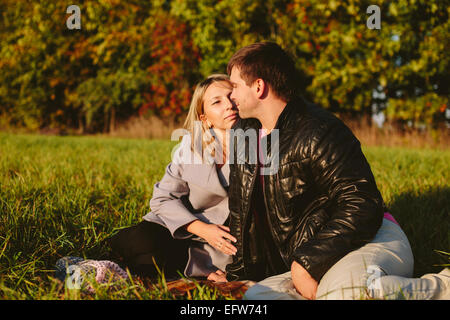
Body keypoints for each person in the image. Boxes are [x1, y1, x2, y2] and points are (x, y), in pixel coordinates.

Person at [223, 42, 449, 300]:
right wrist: (237, 277)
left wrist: (306, 263)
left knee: (346, 296)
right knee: (256, 300)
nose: (231, 96)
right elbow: (241, 213)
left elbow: (362, 204)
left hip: (367, 239)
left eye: (235, 86)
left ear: (259, 87)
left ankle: (442, 288)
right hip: (310, 258)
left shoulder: (320, 130)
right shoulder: (243, 132)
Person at [106, 74, 239, 282]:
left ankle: (189, 267)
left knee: (149, 259)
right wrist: (201, 228)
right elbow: (161, 199)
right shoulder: (191, 146)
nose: (229, 105)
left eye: (232, 97)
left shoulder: (260, 143)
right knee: (139, 241)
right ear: (204, 117)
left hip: (221, 243)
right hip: (182, 227)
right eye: (217, 102)